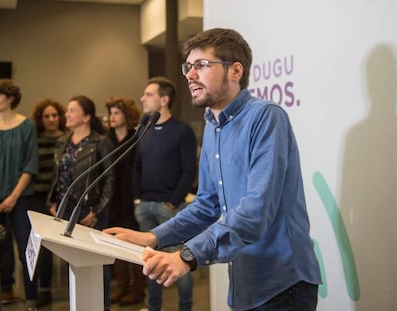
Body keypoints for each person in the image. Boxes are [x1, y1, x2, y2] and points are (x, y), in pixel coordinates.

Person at [104, 28, 322, 311]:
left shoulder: (266, 117)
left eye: (202, 65)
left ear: (235, 71)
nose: (190, 75)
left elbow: (255, 212)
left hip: (283, 283)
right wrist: (154, 236)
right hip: (245, 282)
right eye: (188, 67)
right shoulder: (213, 127)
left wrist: (186, 255)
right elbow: (206, 206)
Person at [131, 76, 198, 311]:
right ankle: (154, 308)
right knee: (150, 263)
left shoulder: (182, 131)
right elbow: (137, 165)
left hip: (169, 208)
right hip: (145, 205)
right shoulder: (144, 129)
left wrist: (172, 201)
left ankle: (185, 308)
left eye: (148, 94)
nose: (142, 98)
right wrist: (138, 197)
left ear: (164, 100)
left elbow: (190, 170)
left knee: (180, 262)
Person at [46, 95, 114, 311]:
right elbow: (57, 175)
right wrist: (53, 201)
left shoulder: (100, 143)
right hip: (65, 210)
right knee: (74, 262)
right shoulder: (63, 141)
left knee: (97, 265)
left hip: (90, 210)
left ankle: (102, 306)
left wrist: (97, 210)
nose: (67, 114)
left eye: (72, 110)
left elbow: (110, 179)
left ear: (86, 117)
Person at [0, 79, 39, 311]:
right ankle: (5, 289)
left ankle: (32, 296)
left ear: (9, 98)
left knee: (25, 248)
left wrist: (13, 197)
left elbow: (30, 165)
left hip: (21, 197)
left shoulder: (27, 126)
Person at [105, 97, 147, 306]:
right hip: (113, 197)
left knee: (135, 240)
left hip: (132, 194)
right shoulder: (107, 139)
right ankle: (121, 284)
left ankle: (138, 287)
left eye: (116, 113)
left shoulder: (137, 137)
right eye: (110, 113)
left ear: (127, 116)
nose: (112, 117)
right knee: (117, 239)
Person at [31, 98, 67, 307]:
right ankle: (44, 289)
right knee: (41, 245)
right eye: (46, 116)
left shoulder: (66, 139)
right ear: (40, 119)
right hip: (37, 197)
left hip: (59, 198)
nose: (51, 119)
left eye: (54, 115)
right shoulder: (35, 139)